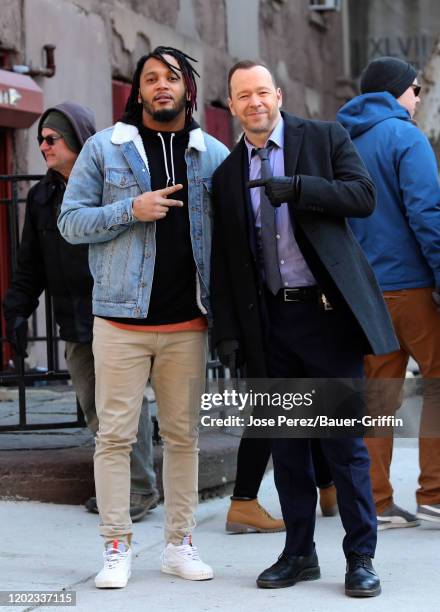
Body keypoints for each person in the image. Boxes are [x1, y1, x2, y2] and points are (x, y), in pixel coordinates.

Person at [211, 60, 398, 597]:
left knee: (343, 444)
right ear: (231, 105)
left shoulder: (323, 137)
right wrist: (230, 333)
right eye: (243, 95)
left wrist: (298, 187)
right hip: (270, 325)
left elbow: (363, 197)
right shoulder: (228, 174)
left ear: (279, 94)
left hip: (326, 316)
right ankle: (298, 554)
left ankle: (360, 556)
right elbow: (227, 259)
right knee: (289, 447)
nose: (255, 103)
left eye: (262, 92)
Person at [58, 47, 229, 589]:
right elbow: (70, 222)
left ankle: (179, 544)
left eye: (171, 78)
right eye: (150, 78)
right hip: (119, 322)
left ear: (187, 90)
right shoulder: (103, 149)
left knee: (183, 438)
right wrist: (130, 211)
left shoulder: (213, 154)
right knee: (114, 437)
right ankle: (116, 546)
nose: (161, 86)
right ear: (137, 91)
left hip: (187, 325)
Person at [2, 102, 159, 522]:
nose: (43, 146)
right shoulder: (42, 197)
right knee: (95, 408)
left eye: (52, 138)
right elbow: (29, 264)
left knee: (124, 405)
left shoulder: (111, 187)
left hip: (117, 313)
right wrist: (16, 309)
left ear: (76, 141)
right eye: (40, 140)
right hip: (74, 320)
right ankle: (120, 485)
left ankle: (141, 489)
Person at [337, 56, 440, 528]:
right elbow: (428, 215)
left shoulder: (341, 139)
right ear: (396, 91)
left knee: (376, 394)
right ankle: (435, 492)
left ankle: (375, 501)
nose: (418, 99)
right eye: (415, 89)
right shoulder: (405, 137)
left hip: (363, 291)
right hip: (413, 287)